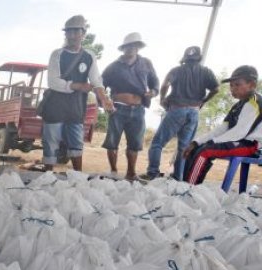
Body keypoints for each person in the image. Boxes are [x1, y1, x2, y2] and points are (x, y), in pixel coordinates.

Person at [40, 15, 113, 172]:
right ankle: (47, 176)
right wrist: (78, 85)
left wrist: (104, 99)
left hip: (76, 107)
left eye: (76, 32)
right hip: (55, 106)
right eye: (69, 32)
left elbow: (96, 81)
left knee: (76, 142)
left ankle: (77, 177)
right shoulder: (57, 54)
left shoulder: (89, 56)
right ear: (65, 34)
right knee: (51, 141)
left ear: (83, 34)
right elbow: (53, 82)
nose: (72, 36)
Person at [144, 46, 219, 180]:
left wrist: (162, 99)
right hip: (194, 111)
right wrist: (204, 101)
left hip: (177, 109)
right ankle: (177, 177)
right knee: (184, 148)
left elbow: (165, 85)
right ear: (199, 58)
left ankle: (152, 173)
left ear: (185, 58)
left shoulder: (176, 70)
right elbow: (216, 89)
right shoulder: (206, 71)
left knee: (157, 143)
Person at [182, 65, 262, 185]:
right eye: (231, 85)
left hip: (251, 145)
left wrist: (211, 142)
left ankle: (189, 189)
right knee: (196, 149)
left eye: (237, 84)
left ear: (252, 85)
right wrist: (196, 142)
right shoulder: (237, 106)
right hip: (239, 141)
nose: (232, 88)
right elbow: (222, 129)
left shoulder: (255, 102)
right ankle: (186, 184)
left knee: (205, 151)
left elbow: (240, 132)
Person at [101, 32, 159, 179]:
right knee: (112, 142)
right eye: (128, 46)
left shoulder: (146, 63)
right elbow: (100, 85)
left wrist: (153, 92)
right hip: (117, 109)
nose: (131, 48)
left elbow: (155, 83)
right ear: (123, 48)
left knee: (135, 144)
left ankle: (131, 173)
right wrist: (105, 101)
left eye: (134, 45)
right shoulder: (113, 66)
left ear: (138, 47)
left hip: (138, 110)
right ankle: (113, 171)